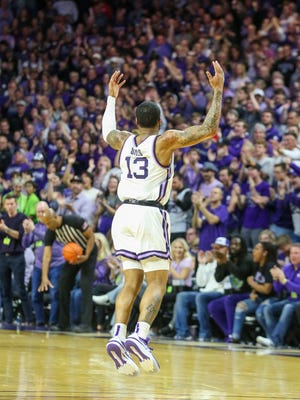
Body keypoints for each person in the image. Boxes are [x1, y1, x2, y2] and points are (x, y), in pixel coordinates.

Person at [102, 63, 224, 375]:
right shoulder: (165, 140)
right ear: (159, 121)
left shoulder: (124, 141)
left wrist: (112, 99)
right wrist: (218, 91)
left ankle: (118, 334)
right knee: (157, 281)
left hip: (122, 214)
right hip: (149, 214)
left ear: (138, 121)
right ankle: (140, 336)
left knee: (130, 280)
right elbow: (208, 128)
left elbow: (107, 132)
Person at [38, 207, 97, 333]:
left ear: (55, 217)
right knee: (63, 284)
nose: (48, 226)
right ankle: (63, 323)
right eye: (45, 224)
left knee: (86, 285)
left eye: (49, 222)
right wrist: (44, 277)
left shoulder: (73, 220)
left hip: (89, 252)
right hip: (73, 255)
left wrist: (86, 255)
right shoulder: (51, 230)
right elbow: (46, 255)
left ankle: (86, 324)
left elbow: (91, 236)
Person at [174, 238, 227, 341]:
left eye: (220, 248)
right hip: (205, 293)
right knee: (182, 296)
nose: (216, 250)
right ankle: (183, 332)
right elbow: (200, 283)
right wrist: (202, 264)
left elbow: (221, 280)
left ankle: (205, 333)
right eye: (215, 247)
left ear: (226, 249)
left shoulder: (227, 261)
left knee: (200, 297)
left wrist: (215, 263)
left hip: (220, 292)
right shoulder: (211, 261)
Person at [22, 201, 64, 327]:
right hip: (39, 265)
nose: (41, 214)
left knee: (54, 294)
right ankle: (40, 321)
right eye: (38, 212)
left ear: (49, 211)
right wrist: (26, 232)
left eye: (43, 211)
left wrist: (33, 230)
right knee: (35, 294)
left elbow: (47, 238)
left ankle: (53, 322)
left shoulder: (54, 224)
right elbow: (25, 244)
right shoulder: (35, 226)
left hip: (56, 264)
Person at [256, 243, 300, 348]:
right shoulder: (287, 268)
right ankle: (275, 340)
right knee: (267, 309)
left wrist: (284, 280)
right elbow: (278, 290)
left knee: (288, 307)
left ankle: (274, 340)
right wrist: (276, 279)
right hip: (290, 299)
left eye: (296, 253)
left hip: (298, 301)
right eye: (291, 253)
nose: (292, 256)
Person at [0, 194, 32, 324]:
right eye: (7, 204)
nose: (10, 207)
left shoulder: (22, 218)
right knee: (5, 289)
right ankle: (8, 320)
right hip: (3, 256)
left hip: (17, 256)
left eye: (12, 204)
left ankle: (29, 319)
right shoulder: (3, 218)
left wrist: (6, 229)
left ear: (16, 204)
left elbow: (19, 236)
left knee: (20, 289)